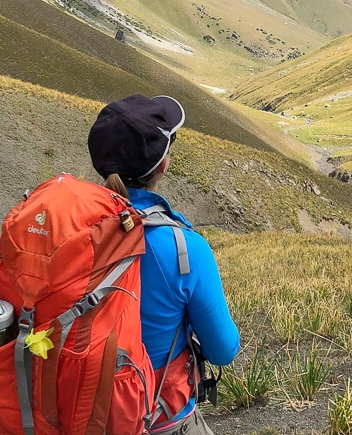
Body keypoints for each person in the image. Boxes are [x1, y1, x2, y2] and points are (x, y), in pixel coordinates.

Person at [88, 94, 241, 434]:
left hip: (72, 410)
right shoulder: (185, 249)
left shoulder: (67, 231)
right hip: (153, 417)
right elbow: (223, 349)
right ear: (163, 164)